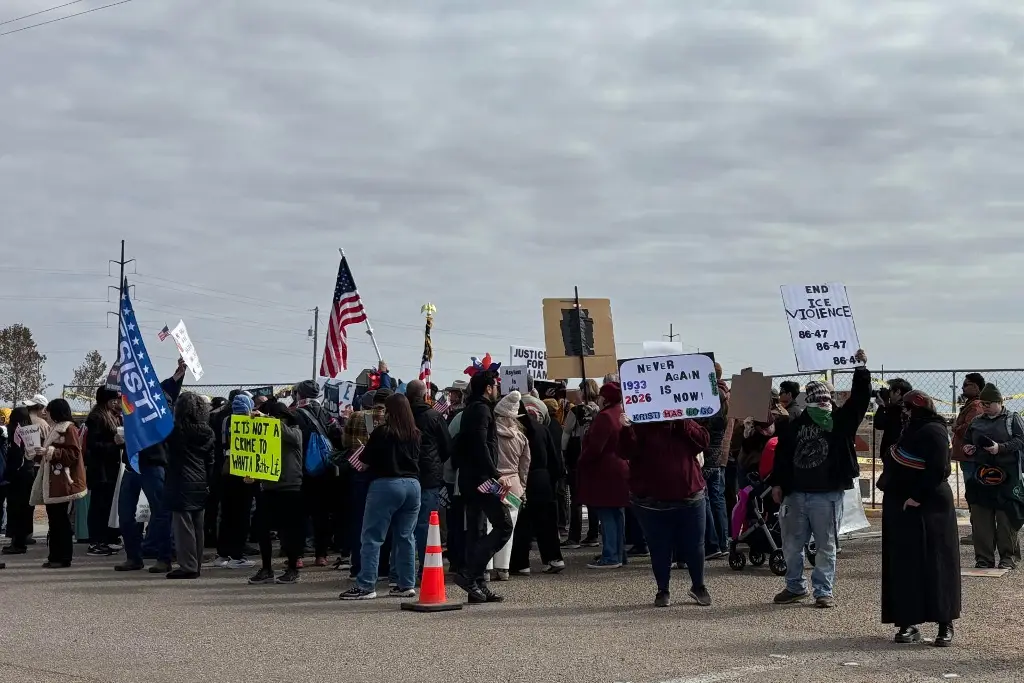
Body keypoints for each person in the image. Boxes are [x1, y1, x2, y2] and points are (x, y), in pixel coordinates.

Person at [772, 349, 870, 608]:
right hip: (796, 493)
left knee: (826, 545)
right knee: (791, 545)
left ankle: (823, 591)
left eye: (826, 398)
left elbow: (859, 400)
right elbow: (782, 455)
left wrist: (861, 370)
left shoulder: (840, 422)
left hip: (827, 494)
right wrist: (777, 483)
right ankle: (794, 586)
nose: (823, 402)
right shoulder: (795, 425)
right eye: (818, 398)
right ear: (808, 401)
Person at [879, 390, 960, 647]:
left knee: (938, 562)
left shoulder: (934, 430)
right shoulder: (908, 429)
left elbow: (939, 468)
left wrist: (917, 496)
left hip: (929, 505)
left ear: (918, 408)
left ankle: (944, 623)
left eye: (907, 407)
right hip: (902, 503)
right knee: (905, 564)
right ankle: (907, 621)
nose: (903, 411)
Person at [619, 409, 711, 607]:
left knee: (695, 545)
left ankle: (699, 586)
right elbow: (625, 451)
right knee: (659, 547)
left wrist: (683, 421)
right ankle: (663, 590)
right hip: (651, 500)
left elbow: (703, 441)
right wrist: (626, 428)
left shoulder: (683, 421)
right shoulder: (641, 423)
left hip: (689, 495)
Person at [340, 393, 422, 600]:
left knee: (372, 537)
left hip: (386, 484)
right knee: (406, 537)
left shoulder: (382, 432)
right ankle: (406, 584)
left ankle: (366, 585)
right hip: (413, 486)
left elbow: (365, 462)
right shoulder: (415, 433)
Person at [116, 359, 185, 573]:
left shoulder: (158, 400)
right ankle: (133, 557)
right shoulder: (131, 399)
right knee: (125, 513)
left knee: (160, 512)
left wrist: (179, 375)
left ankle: (164, 557)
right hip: (132, 464)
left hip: (153, 464)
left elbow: (167, 394)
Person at [453, 371, 512, 604]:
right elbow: (480, 445)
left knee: (477, 530)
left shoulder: (473, 408)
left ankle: (477, 585)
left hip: (473, 477)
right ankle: (469, 575)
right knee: (504, 525)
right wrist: (496, 474)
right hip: (481, 479)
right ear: (488, 388)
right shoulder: (481, 410)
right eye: (495, 385)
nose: (497, 389)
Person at [963, 383, 1024, 570]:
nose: (985, 407)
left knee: (1006, 517)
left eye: (989, 403)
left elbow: (1021, 440)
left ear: (999, 402)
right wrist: (968, 448)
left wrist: (1000, 448)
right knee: (980, 517)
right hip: (981, 474)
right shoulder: (976, 421)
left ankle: (1008, 557)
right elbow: (967, 439)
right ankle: (984, 558)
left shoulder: (1012, 418)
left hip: (1008, 475)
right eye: (983, 403)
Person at [249, 400, 305, 585]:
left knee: (288, 531)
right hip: (269, 487)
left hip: (290, 487)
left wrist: (268, 420)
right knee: (261, 528)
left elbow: (291, 436)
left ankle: (292, 569)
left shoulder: (294, 431)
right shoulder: (266, 432)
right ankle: (266, 568)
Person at [511, 396, 566, 575]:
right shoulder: (542, 429)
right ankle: (554, 558)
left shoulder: (515, 431)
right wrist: (553, 479)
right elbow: (555, 460)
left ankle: (521, 563)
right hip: (543, 478)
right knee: (547, 523)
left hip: (524, 479)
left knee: (523, 524)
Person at [405, 380, 454, 581]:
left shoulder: (400, 416)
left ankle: (403, 571)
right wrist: (436, 461)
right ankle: (425, 569)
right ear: (425, 395)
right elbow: (447, 447)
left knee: (403, 526)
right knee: (426, 524)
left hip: (405, 473)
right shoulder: (434, 416)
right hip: (429, 476)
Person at [30, 399, 87, 569]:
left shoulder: (68, 429)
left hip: (63, 481)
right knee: (55, 520)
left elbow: (74, 454)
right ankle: (55, 555)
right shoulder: (55, 428)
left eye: (48, 411)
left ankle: (63, 557)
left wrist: (51, 452)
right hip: (53, 480)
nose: (45, 414)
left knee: (60, 521)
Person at [165, 392, 215, 580]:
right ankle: (196, 564)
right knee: (198, 526)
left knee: (183, 527)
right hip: (201, 481)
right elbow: (210, 460)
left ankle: (188, 566)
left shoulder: (176, 431)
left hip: (181, 480)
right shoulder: (208, 432)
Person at [578, 382, 628, 569]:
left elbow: (595, 447)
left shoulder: (605, 417)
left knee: (607, 514)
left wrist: (581, 460)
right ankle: (618, 552)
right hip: (619, 468)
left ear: (605, 398)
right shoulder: (620, 413)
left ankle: (611, 555)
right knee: (617, 514)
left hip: (605, 470)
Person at [343, 388, 391, 580]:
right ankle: (382, 567)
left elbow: (346, 442)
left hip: (359, 473)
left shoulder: (356, 416)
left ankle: (358, 566)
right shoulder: (391, 420)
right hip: (382, 474)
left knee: (359, 521)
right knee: (384, 522)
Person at [291, 379, 339, 568]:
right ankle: (321, 555)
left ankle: (297, 556)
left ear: (299, 394)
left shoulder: (294, 414)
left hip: (301, 470)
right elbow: (337, 436)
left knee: (299, 515)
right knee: (322, 515)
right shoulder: (326, 413)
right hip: (324, 471)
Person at [210, 392, 258, 570]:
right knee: (242, 515)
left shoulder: (224, 420)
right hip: (244, 473)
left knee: (226, 515)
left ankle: (222, 554)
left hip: (225, 472)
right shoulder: (249, 422)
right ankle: (237, 555)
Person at [488, 390, 531, 581]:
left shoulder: (490, 436)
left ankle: (486, 567)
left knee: (488, 524)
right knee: (509, 528)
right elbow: (525, 466)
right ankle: (503, 568)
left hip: (493, 483)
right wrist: (523, 486)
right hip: (513, 484)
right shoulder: (521, 437)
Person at [561, 379, 601, 548]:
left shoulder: (576, 410)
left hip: (576, 455)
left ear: (583, 391)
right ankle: (593, 534)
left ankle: (574, 537)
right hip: (594, 457)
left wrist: (562, 453)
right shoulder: (599, 410)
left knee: (576, 497)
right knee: (592, 496)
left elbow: (566, 433)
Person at [84, 387, 124, 556]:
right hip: (101, 469)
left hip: (112, 467)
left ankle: (108, 537)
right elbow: (93, 445)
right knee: (99, 505)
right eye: (113, 400)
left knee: (109, 505)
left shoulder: (113, 416)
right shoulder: (96, 418)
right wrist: (114, 444)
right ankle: (96, 541)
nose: (116, 402)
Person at [951, 373, 985, 546]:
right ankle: (979, 532)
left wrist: (956, 427)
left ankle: (979, 533)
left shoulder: (976, 406)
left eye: (967, 385)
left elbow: (971, 427)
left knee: (974, 494)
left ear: (977, 387)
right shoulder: (971, 404)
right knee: (973, 494)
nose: (963, 388)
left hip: (972, 457)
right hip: (968, 457)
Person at [1, 406, 41, 556]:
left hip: (18, 476)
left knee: (16, 510)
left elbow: (16, 456)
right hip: (29, 472)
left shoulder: (16, 431)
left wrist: (8, 475)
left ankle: (17, 543)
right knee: (26, 509)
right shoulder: (31, 431)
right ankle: (23, 539)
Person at [703, 364, 732, 559]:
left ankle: (713, 543)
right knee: (717, 498)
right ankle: (722, 541)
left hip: (709, 454)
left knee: (706, 498)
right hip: (720, 453)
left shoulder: (712, 399)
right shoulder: (727, 396)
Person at [872, 378, 913, 466]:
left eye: (890, 390)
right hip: (906, 454)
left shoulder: (896, 409)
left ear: (897, 392)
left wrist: (881, 406)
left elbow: (879, 424)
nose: (888, 393)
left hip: (894, 455)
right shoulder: (909, 408)